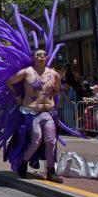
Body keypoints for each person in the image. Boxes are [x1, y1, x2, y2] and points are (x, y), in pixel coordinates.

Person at [6, 49, 63, 183]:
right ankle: (23, 164)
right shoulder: (27, 72)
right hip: (31, 113)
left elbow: (57, 90)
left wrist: (49, 97)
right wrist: (17, 97)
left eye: (44, 55)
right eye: (38, 55)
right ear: (33, 58)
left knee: (50, 141)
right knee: (36, 140)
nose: (41, 57)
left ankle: (51, 171)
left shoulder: (54, 74)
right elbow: (9, 82)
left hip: (48, 113)